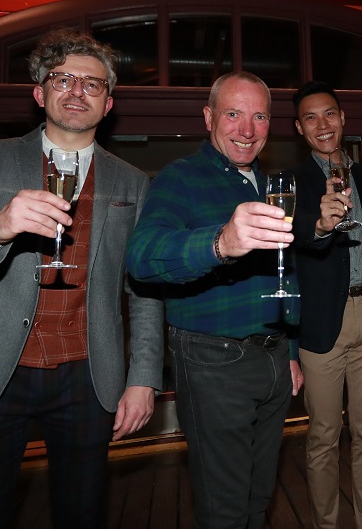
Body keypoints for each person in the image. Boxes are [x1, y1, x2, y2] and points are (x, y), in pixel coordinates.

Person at [0, 29, 165, 529]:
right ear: (40, 93)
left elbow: (143, 288)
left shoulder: (133, 182)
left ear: (108, 103)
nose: (77, 91)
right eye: (63, 79)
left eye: (92, 84)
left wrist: (144, 377)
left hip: (89, 374)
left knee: (82, 514)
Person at [124, 71, 303, 529]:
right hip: (212, 360)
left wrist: (291, 352)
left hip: (273, 359)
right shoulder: (179, 179)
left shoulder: (270, 186)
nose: (247, 130)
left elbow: (285, 273)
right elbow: (141, 259)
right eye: (234, 114)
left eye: (259, 116)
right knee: (223, 508)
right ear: (209, 117)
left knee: (258, 498)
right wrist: (219, 243)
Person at [290, 81, 362, 529]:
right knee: (322, 435)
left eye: (330, 114)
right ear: (300, 128)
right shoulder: (291, 181)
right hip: (321, 320)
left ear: (343, 119)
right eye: (312, 118)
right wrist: (319, 225)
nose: (323, 124)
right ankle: (325, 523)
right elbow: (294, 243)